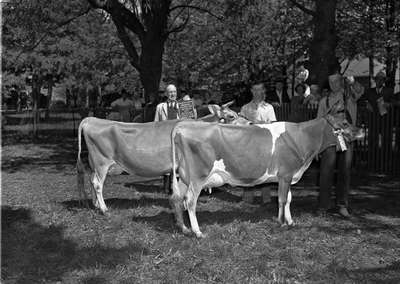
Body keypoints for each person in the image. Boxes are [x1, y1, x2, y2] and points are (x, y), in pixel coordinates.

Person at [316, 72, 364, 218]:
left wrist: (352, 81)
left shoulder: (349, 96)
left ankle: (342, 205)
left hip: (347, 139)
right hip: (329, 141)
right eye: (331, 82)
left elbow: (360, 91)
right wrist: (318, 146)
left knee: (344, 172)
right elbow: (318, 124)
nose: (333, 84)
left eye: (336, 81)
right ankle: (323, 206)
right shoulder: (324, 101)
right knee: (325, 173)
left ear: (341, 82)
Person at [239, 82, 276, 204]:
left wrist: (260, 124)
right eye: (254, 90)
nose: (257, 92)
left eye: (259, 90)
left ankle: (266, 198)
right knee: (249, 169)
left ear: (263, 91)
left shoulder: (269, 108)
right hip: (249, 144)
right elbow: (240, 125)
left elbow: (273, 126)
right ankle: (247, 197)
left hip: (264, 143)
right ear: (251, 91)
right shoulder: (245, 108)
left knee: (265, 169)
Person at [154, 84, 180, 193]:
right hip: (165, 137)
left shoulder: (183, 106)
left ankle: (177, 185)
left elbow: (190, 120)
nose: (172, 94)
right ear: (166, 94)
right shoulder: (160, 107)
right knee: (167, 160)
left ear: (176, 93)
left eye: (174, 92)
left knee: (178, 160)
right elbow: (156, 123)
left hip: (179, 137)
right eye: (170, 92)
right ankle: (166, 186)